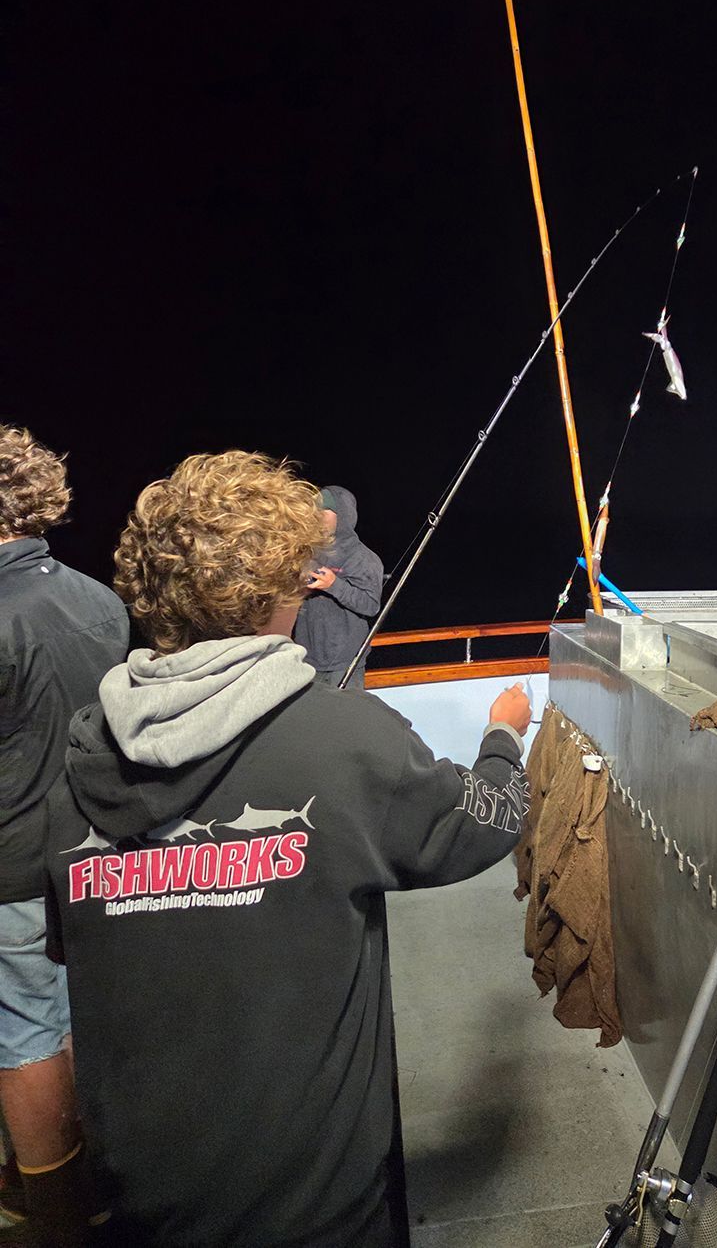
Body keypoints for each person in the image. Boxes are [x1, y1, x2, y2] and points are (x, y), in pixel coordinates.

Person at [44, 451, 531, 1247]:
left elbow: (70, 949)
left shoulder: (80, 763)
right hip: (322, 1210)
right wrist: (503, 733)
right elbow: (489, 819)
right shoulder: (346, 743)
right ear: (279, 588)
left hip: (140, 1202)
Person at [0, 426, 129, 1246]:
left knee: (26, 1034)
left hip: (10, 868)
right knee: (79, 1016)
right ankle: (99, 1185)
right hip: (96, 854)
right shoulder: (99, 597)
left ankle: (55, 1219)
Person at [294, 485, 383, 688]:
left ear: (342, 514)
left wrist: (334, 584)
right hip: (306, 657)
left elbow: (370, 605)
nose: (317, 516)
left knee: (344, 718)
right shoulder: (306, 552)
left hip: (345, 663)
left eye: (325, 511)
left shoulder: (363, 558)